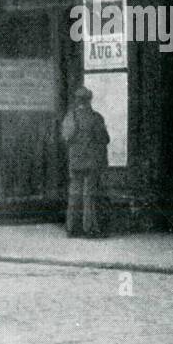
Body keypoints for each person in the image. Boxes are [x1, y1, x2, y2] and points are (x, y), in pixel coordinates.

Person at [62, 86, 110, 237]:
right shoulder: (96, 117)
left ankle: (71, 228)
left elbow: (66, 137)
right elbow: (104, 139)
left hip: (75, 161)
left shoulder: (71, 116)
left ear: (77, 100)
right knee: (89, 194)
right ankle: (89, 228)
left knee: (74, 193)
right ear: (90, 100)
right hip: (91, 162)